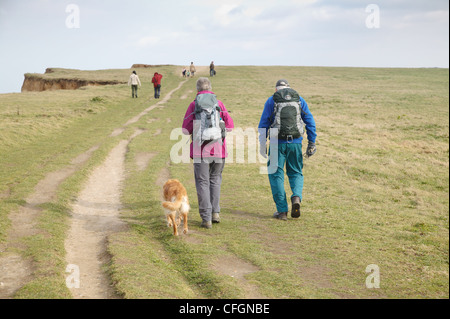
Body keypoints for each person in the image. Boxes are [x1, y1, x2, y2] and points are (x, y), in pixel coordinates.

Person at [258, 79, 317, 221]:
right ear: (289, 88)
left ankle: (282, 211)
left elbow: (263, 124)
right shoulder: (299, 100)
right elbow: (310, 121)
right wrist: (312, 142)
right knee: (296, 172)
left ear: (276, 89)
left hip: (275, 142)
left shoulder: (271, 101)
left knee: (276, 174)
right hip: (295, 142)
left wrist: (262, 144)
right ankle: (296, 197)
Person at [182, 77, 234, 229]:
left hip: (200, 151)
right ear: (211, 88)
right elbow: (230, 126)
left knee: (202, 182)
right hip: (219, 149)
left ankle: (206, 218)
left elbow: (185, 129)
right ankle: (215, 213)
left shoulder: (194, 105)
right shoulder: (219, 104)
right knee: (215, 180)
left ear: (197, 90)